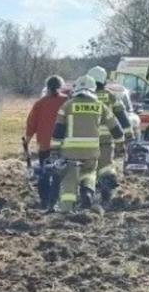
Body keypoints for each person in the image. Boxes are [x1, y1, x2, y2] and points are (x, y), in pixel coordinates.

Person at [52, 74, 123, 213]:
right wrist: (121, 144)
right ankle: (88, 194)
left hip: (70, 152)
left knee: (69, 180)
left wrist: (54, 150)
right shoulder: (100, 106)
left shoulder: (67, 106)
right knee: (89, 173)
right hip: (92, 152)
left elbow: (58, 131)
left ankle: (66, 209)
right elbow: (116, 128)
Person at [87, 65, 134, 204]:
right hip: (106, 141)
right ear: (104, 80)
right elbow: (122, 118)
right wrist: (128, 136)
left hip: (86, 140)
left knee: (88, 168)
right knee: (106, 167)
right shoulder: (111, 97)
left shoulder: (83, 97)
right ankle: (106, 196)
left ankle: (89, 194)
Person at [24, 74, 69, 209]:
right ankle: (54, 201)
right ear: (61, 87)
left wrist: (27, 139)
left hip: (44, 145)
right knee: (59, 173)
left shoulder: (39, 103)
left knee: (44, 173)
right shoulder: (67, 101)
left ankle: (44, 201)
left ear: (47, 87)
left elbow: (31, 123)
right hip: (62, 145)